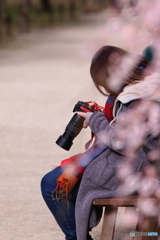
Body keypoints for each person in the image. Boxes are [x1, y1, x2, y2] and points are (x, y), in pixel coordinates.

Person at [41, 46, 160, 240]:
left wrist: (94, 119)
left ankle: (75, 238)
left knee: (52, 184)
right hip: (140, 166)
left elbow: (122, 141)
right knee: (60, 181)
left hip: (136, 172)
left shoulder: (136, 98)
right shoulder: (147, 85)